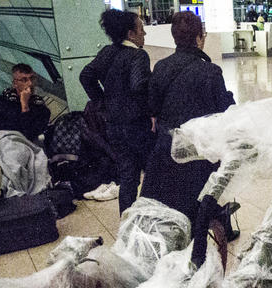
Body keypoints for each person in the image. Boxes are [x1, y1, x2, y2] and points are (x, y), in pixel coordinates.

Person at [140, 12, 235, 226]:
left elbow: (153, 106)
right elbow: (224, 112)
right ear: (199, 38)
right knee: (211, 190)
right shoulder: (210, 71)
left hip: (169, 148)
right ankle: (223, 226)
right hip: (199, 151)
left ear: (174, 37)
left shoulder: (161, 67)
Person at [81, 9, 153, 215]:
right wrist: (150, 110)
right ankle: (152, 218)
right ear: (130, 34)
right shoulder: (138, 56)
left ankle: (127, 221)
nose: (144, 34)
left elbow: (86, 76)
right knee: (151, 174)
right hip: (137, 125)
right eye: (141, 29)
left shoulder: (106, 52)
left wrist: (102, 102)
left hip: (113, 125)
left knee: (128, 177)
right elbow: (139, 85)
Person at [0, 63, 52, 207]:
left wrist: (25, 106)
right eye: (24, 79)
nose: (30, 83)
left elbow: (29, 133)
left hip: (19, 141)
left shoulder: (40, 108)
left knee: (10, 159)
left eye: (31, 79)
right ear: (14, 83)